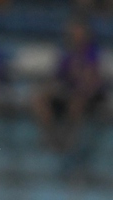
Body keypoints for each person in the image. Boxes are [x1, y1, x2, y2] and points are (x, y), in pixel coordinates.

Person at [33, 20, 107, 153]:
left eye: (78, 32)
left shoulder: (91, 52)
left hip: (88, 95)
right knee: (39, 98)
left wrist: (78, 77)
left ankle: (69, 139)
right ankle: (51, 135)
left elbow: (90, 80)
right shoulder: (67, 52)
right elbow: (57, 77)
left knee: (77, 101)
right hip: (69, 91)